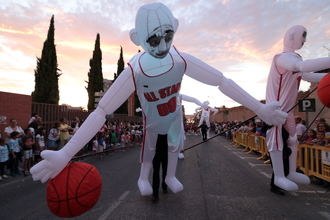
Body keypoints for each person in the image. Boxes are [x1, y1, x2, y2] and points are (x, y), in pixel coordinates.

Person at [31, 2, 287, 203]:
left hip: (173, 114)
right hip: (153, 119)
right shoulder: (134, 70)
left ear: (175, 28)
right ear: (137, 38)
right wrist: (66, 152)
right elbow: (101, 111)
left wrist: (260, 107)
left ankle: (171, 176)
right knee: (149, 148)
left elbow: (221, 80)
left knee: (175, 146)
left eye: (168, 35)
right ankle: (144, 178)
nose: (163, 45)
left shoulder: (181, 59)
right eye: (154, 40)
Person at [265, 25, 330, 193]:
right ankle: (279, 177)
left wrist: (327, 77)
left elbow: (309, 74)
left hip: (289, 113)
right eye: (303, 36)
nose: (304, 40)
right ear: (293, 37)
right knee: (277, 142)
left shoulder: (296, 61)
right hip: (277, 112)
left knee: (293, 141)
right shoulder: (281, 58)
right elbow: (300, 67)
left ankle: (291, 172)